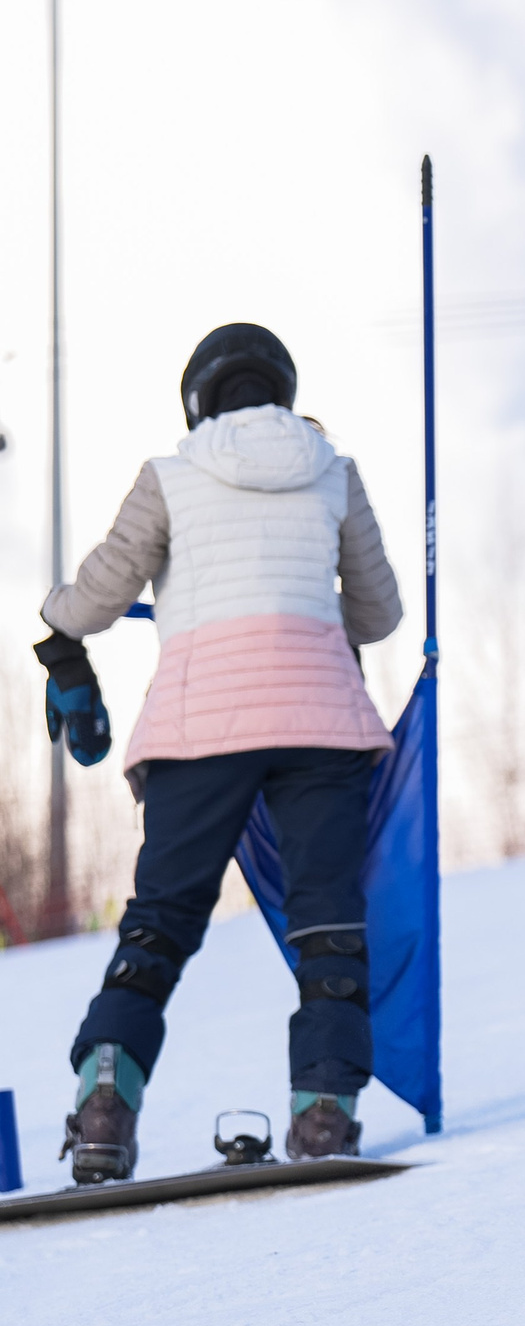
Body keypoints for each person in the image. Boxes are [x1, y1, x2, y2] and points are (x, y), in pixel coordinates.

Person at [49, 325, 401, 1183]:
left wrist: (56, 620)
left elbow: (96, 599)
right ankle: (324, 1113)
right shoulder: (334, 470)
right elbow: (378, 613)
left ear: (197, 400)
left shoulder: (169, 475)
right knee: (327, 926)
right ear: (283, 389)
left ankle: (104, 1107)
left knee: (160, 923)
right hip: (320, 720)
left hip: (200, 725)